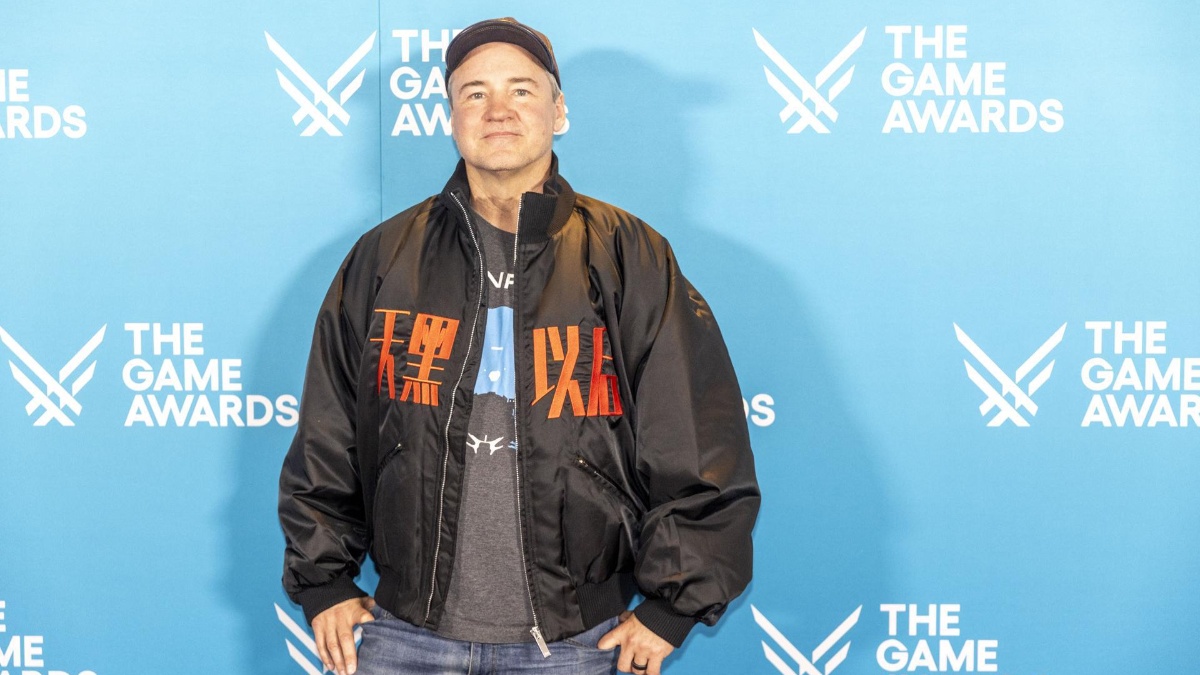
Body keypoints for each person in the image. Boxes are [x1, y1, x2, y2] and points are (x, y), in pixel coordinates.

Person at [278, 17, 759, 675]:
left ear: (558, 111)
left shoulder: (628, 256)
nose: (497, 109)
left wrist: (675, 605)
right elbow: (328, 432)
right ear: (450, 115)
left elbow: (695, 437)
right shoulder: (385, 258)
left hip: (577, 642)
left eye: (521, 90)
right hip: (404, 638)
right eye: (474, 92)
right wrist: (324, 581)